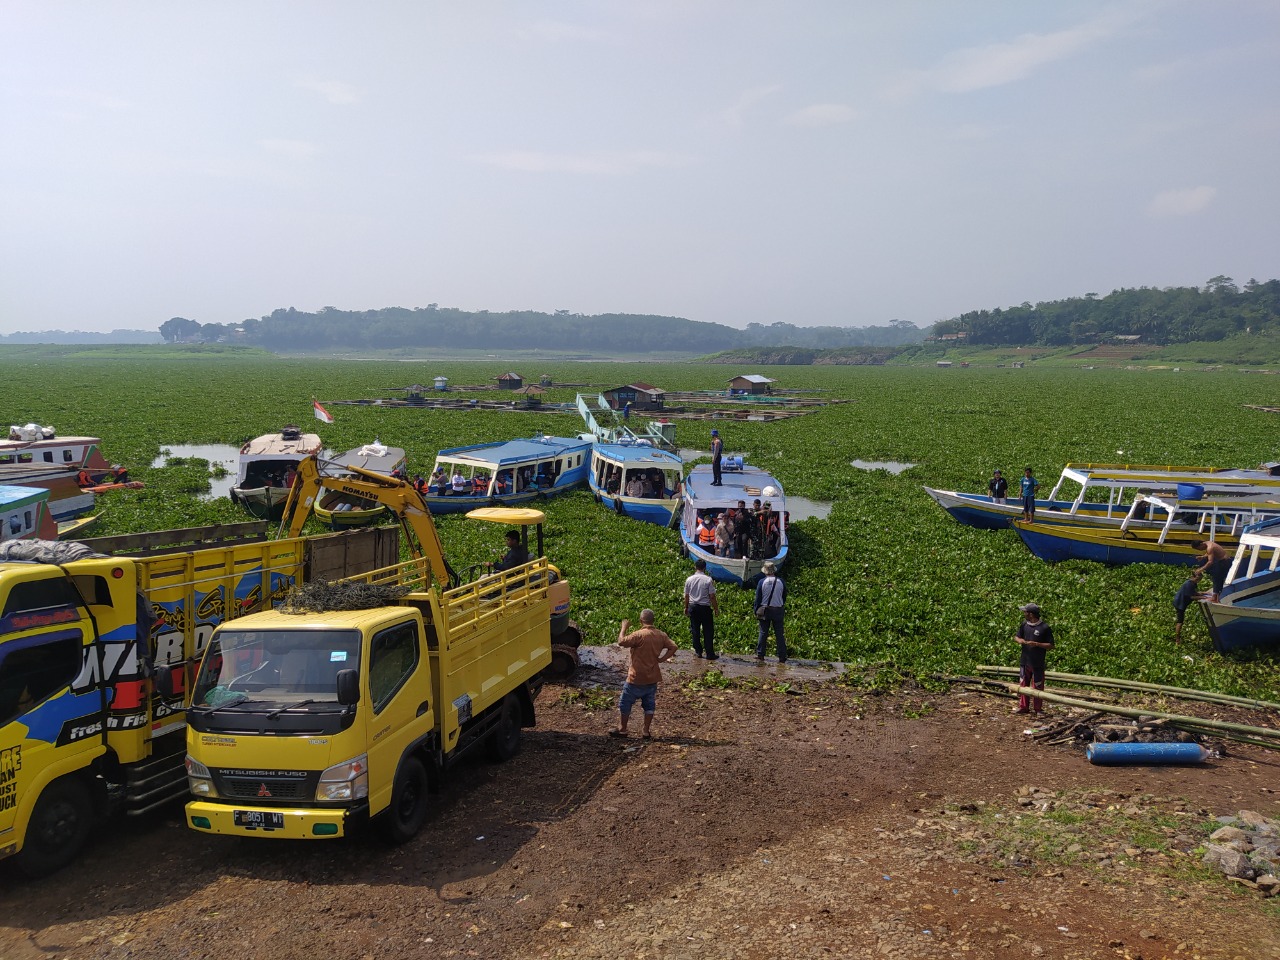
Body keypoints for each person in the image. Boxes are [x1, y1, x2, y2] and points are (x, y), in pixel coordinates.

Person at [611, 608, 677, 739]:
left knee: (625, 703)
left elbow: (621, 641)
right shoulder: (661, 635)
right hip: (652, 677)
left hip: (635, 678)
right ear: (653, 620)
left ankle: (623, 729)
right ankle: (646, 731)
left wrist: (623, 628)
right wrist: (661, 659)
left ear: (641, 621)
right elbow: (674, 647)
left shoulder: (638, 635)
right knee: (649, 704)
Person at [1013, 602, 1054, 715]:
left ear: (1031, 614)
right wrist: (1019, 640)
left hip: (1037, 663)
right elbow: (1016, 636)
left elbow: (1051, 645)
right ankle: (1023, 707)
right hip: (1024, 661)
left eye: (1025, 612)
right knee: (1023, 685)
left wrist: (1036, 644)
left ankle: (1038, 709)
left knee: (1038, 686)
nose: (1024, 613)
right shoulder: (1024, 625)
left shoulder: (1044, 627)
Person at [683, 558, 719, 660]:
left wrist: (686, 607)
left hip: (693, 607)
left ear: (695, 567)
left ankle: (698, 651)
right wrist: (716, 608)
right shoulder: (708, 580)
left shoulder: (689, 579)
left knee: (695, 630)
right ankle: (709, 653)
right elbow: (712, 596)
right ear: (704, 568)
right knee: (708, 631)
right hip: (705, 608)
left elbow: (686, 596)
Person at [754, 561, 787, 663]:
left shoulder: (761, 582)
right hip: (778, 610)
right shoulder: (781, 581)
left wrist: (755, 610)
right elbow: (784, 595)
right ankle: (782, 656)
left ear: (765, 571)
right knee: (779, 634)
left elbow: (758, 599)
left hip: (765, 610)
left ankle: (760, 654)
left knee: (763, 632)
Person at [1173, 573, 1206, 642]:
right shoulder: (1188, 584)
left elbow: (1194, 593)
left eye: (1200, 579)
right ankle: (1177, 639)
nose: (1198, 581)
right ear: (1193, 577)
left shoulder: (1193, 583)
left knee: (1180, 621)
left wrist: (1203, 593)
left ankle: (1177, 638)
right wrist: (1202, 597)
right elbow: (1191, 597)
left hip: (1182, 603)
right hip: (1180, 604)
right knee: (1180, 622)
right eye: (1197, 579)